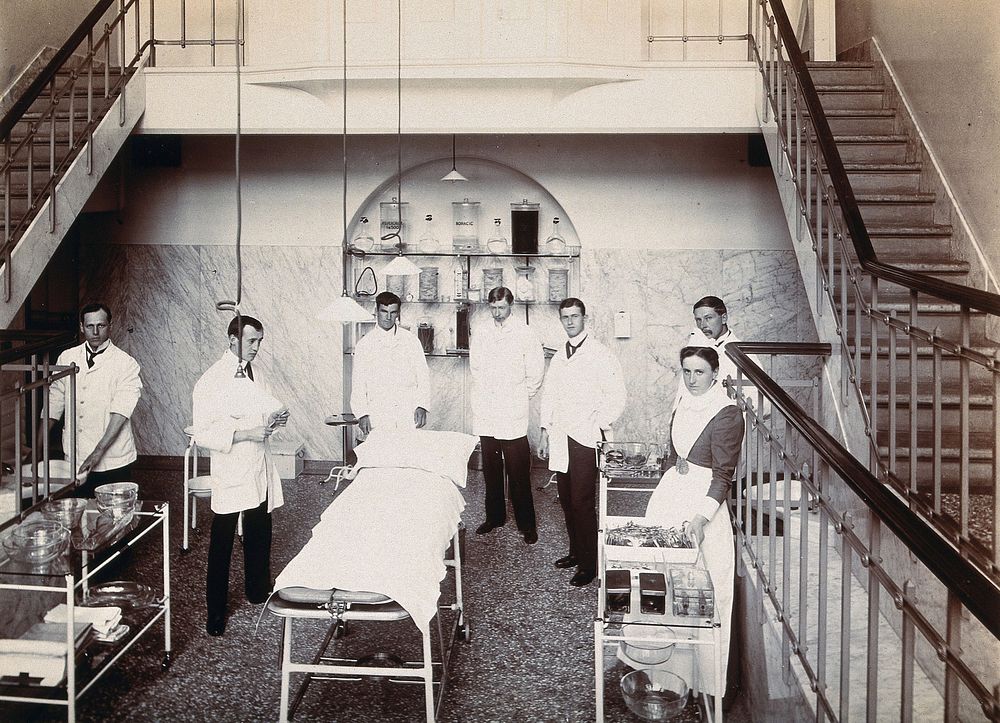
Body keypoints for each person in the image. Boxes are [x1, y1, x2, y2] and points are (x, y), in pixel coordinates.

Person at [642, 346, 745, 699]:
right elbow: (676, 453)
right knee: (665, 584)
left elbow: (723, 475)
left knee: (704, 592)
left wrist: (701, 517)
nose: (692, 379)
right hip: (673, 494)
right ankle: (666, 674)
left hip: (704, 506)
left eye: (699, 372)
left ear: (715, 373)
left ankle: (705, 683)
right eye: (686, 371)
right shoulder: (683, 400)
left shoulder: (727, 413)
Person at [192, 315, 289, 637]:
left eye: (260, 341)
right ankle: (216, 612)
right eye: (251, 341)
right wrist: (248, 433)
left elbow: (262, 411)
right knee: (222, 541)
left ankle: (257, 589)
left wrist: (275, 418)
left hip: (258, 466)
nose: (257, 348)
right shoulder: (212, 380)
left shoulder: (256, 373)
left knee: (261, 529)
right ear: (232, 339)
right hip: (232, 469)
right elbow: (202, 433)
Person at [539, 298, 626, 587]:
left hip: (586, 438)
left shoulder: (601, 354)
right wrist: (544, 430)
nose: (570, 322)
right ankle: (576, 552)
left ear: (584, 318)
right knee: (565, 499)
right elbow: (549, 395)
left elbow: (617, 396)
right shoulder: (560, 356)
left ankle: (590, 565)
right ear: (561, 320)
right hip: (562, 435)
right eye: (565, 317)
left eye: (575, 316)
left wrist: (598, 423)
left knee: (582, 501)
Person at [40, 302, 142, 498]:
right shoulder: (67, 357)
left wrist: (97, 453)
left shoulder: (126, 364)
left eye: (101, 325)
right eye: (89, 326)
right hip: (76, 457)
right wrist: (36, 447)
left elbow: (121, 412)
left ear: (110, 325)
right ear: (81, 327)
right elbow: (54, 402)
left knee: (113, 519)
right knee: (78, 514)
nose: (95, 332)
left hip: (113, 460)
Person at [470, 286, 545, 544]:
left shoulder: (525, 333)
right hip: (488, 411)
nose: (497, 313)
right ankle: (495, 517)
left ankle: (527, 525)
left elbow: (536, 372)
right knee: (491, 470)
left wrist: (519, 396)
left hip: (513, 411)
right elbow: (476, 368)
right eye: (493, 308)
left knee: (518, 472)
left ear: (511, 306)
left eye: (501, 308)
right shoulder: (481, 332)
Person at [351, 291, 430, 437]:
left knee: (407, 456)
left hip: (407, 412)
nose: (388, 317)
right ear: (376, 311)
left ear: (398, 313)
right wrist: (362, 414)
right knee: (381, 456)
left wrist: (422, 406)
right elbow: (358, 384)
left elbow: (423, 376)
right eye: (384, 312)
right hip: (378, 413)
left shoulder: (411, 341)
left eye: (393, 312)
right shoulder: (365, 345)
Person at [685, 295, 741, 383]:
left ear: (724, 318)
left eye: (708, 318)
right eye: (698, 320)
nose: (703, 325)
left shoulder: (742, 353)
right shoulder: (696, 343)